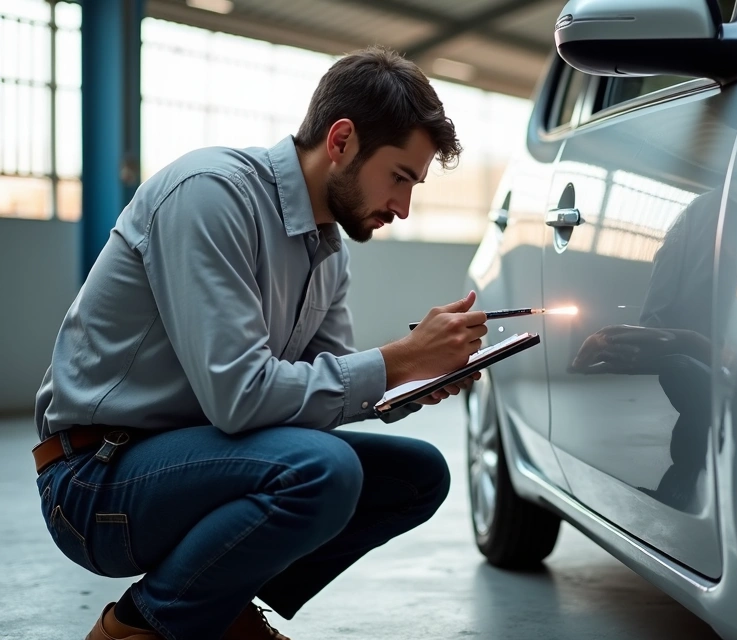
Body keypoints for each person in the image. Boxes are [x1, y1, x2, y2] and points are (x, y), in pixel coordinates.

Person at [31, 46, 488, 640]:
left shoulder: (327, 250)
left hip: (197, 461)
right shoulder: (210, 195)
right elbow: (242, 398)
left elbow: (311, 401)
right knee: (323, 470)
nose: (402, 206)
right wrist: (395, 359)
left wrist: (411, 377)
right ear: (341, 140)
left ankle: (218, 604)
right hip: (96, 479)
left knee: (417, 476)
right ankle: (140, 626)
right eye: (400, 177)